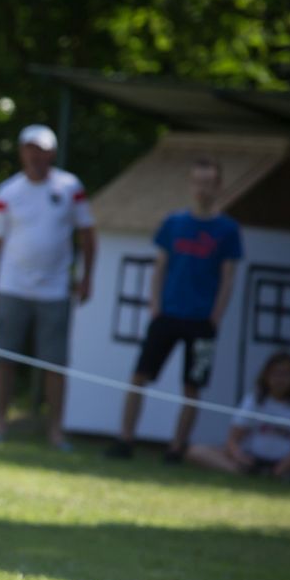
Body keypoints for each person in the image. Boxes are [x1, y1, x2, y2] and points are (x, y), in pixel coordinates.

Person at [106, 157, 242, 462]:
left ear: (218, 186)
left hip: (201, 321)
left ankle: (176, 449)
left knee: (192, 387)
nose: (202, 190)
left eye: (208, 183)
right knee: (139, 376)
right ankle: (125, 440)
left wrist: (216, 316)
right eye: (198, 182)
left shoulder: (228, 230)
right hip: (167, 314)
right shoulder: (173, 223)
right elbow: (160, 267)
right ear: (190, 185)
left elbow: (228, 277)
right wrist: (155, 305)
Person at [0, 123, 96, 449]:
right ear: (21, 152)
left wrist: (87, 277)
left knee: (55, 363)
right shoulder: (7, 192)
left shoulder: (70, 187)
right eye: (31, 149)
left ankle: (55, 431)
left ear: (52, 153)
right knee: (4, 359)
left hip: (56, 290)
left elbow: (88, 235)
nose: (36, 156)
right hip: (11, 287)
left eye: (42, 150)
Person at [186, 352, 290, 484]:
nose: (280, 379)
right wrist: (241, 459)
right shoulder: (254, 399)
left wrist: (282, 468)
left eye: (285, 374)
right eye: (275, 373)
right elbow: (232, 440)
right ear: (266, 375)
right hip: (251, 461)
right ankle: (242, 473)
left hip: (288, 465)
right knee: (196, 451)